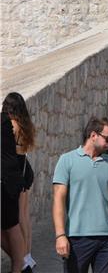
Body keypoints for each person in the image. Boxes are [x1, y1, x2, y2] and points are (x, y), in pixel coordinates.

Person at [52, 117, 108, 272]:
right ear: (93, 135)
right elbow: (58, 199)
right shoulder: (67, 160)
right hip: (77, 237)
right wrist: (60, 236)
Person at [2, 93, 36, 273]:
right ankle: (26, 256)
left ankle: (23, 259)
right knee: (23, 216)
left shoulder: (11, 126)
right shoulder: (24, 125)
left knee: (18, 220)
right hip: (23, 171)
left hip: (15, 175)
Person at [1, 111, 25, 273]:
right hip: (7, 179)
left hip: (6, 182)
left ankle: (19, 266)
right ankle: (22, 263)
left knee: (12, 225)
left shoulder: (5, 122)